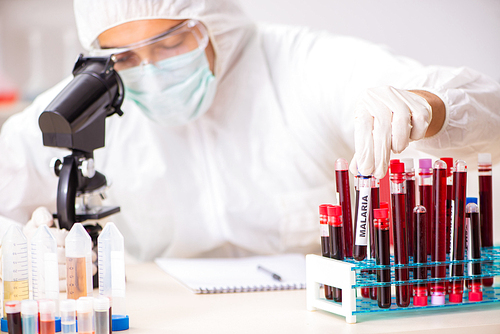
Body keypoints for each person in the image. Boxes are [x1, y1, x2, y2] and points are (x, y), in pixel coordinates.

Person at [0, 0, 499, 266]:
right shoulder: (92, 102)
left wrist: (432, 107)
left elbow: (481, 106)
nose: (149, 72)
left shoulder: (304, 65)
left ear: (213, 20)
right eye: (126, 58)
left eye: (171, 42)